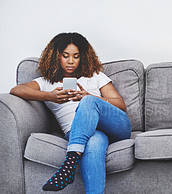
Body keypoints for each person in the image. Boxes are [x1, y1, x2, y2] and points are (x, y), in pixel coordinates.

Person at [10, 32, 132, 193]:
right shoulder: (47, 82)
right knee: (94, 142)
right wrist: (49, 96)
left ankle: (70, 161)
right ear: (56, 56)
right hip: (82, 133)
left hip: (116, 127)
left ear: (83, 57)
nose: (70, 61)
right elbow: (16, 90)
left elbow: (120, 105)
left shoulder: (95, 76)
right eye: (65, 56)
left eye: (76, 56)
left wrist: (90, 97)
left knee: (88, 101)